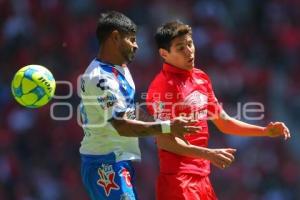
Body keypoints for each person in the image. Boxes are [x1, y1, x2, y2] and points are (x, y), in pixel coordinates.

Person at [146, 20, 291, 200]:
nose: (189, 51)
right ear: (164, 54)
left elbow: (224, 122)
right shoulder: (162, 88)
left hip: (202, 179)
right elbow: (164, 141)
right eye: (180, 48)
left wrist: (265, 131)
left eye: (190, 44)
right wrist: (208, 154)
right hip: (178, 180)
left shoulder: (201, 78)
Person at [79, 12, 199, 200]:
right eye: (132, 39)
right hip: (104, 163)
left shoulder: (120, 69)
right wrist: (167, 127)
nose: (136, 45)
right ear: (115, 37)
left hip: (118, 160)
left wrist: (164, 126)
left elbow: (131, 110)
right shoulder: (100, 79)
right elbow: (122, 126)